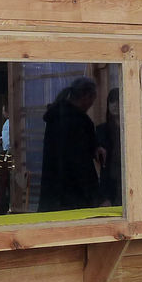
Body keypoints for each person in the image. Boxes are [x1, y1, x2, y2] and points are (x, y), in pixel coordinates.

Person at [38, 76, 104, 212]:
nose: (91, 104)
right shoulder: (79, 122)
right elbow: (81, 162)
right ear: (86, 96)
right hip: (74, 196)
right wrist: (96, 196)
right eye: (92, 99)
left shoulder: (55, 116)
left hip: (52, 192)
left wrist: (95, 146)